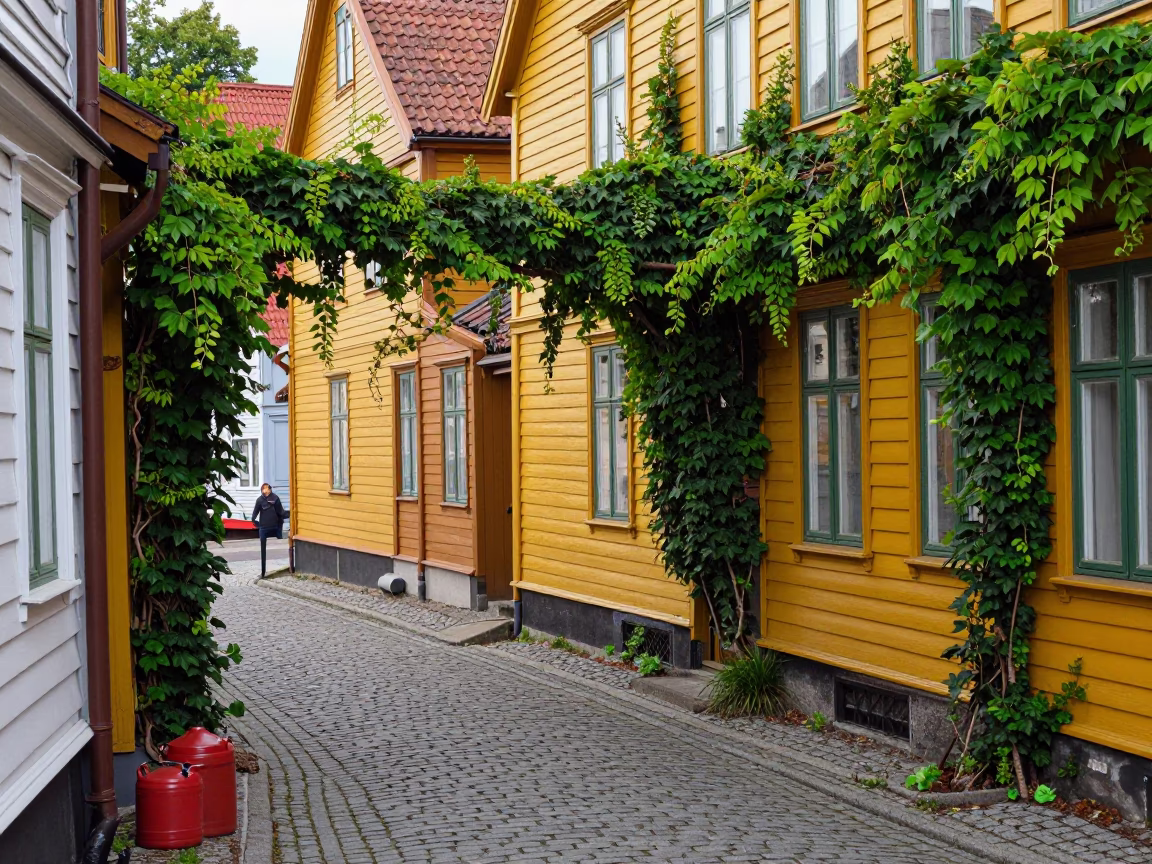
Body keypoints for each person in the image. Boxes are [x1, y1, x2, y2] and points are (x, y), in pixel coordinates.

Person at [251, 483, 286, 578]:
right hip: (263, 528)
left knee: (279, 541)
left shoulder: (275, 498)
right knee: (263, 550)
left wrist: (289, 514)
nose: (266, 491)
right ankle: (263, 572)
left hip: (274, 526)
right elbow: (254, 515)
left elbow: (281, 512)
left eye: (267, 489)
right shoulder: (259, 500)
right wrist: (257, 524)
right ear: (262, 490)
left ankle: (278, 534)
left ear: (270, 489)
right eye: (264, 489)